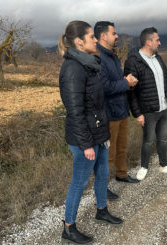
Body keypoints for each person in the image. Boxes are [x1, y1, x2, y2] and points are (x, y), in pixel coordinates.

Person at [58, 20, 123, 244]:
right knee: (79, 182)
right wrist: (86, 144)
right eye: (91, 37)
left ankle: (101, 210)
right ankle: (68, 227)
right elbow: (75, 111)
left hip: (98, 133)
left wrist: (103, 134)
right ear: (79, 41)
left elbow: (96, 104)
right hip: (84, 138)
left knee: (102, 174)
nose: (96, 40)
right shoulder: (72, 68)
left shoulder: (89, 64)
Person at [124, 27, 167, 181]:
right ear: (148, 42)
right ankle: (144, 167)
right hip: (148, 110)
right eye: (157, 40)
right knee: (148, 140)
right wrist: (137, 113)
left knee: (163, 138)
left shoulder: (158, 58)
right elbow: (130, 91)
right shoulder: (134, 62)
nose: (160, 43)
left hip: (163, 107)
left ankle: (164, 165)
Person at [93, 21, 139, 201]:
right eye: (114, 33)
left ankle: (122, 174)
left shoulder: (112, 55)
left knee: (121, 148)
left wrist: (124, 79)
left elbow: (115, 80)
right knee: (108, 155)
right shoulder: (99, 57)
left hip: (121, 110)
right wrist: (125, 83)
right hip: (109, 114)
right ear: (103, 36)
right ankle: (102, 187)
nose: (117, 36)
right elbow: (103, 87)